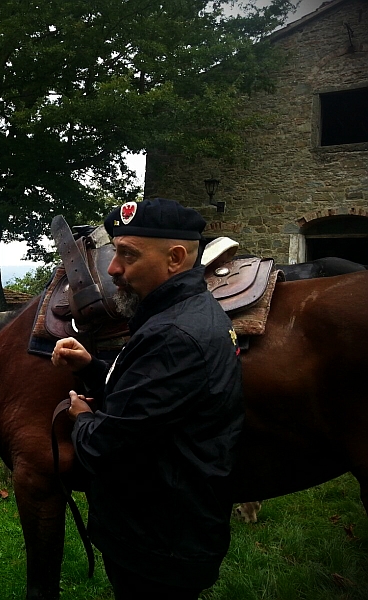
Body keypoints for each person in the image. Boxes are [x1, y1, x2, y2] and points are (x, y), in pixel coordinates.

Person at [51, 198, 244, 600]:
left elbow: (106, 448)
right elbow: (151, 402)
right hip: (168, 530)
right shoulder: (181, 314)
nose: (112, 268)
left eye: (127, 255)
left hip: (157, 542)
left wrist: (82, 416)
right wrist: (90, 366)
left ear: (175, 259)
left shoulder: (173, 335)